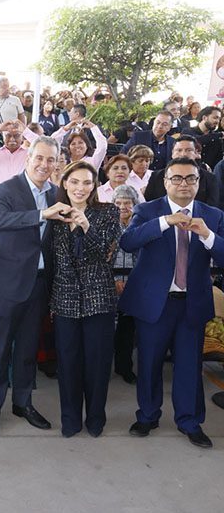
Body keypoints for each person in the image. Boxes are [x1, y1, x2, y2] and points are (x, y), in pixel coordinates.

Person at [119, 157, 224, 449]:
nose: (183, 184)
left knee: (190, 367)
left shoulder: (213, 215)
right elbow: (128, 242)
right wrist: (166, 222)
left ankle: (189, 422)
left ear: (199, 183)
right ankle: (147, 416)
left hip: (192, 304)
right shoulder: (147, 210)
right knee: (149, 363)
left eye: (190, 178)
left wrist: (207, 235)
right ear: (165, 182)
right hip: (155, 303)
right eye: (176, 178)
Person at [0, 136, 74, 435]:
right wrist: (40, 215)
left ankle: (22, 403)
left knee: (27, 348)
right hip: (7, 284)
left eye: (51, 160)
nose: (44, 164)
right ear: (28, 158)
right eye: (40, 158)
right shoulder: (7, 188)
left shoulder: (57, 193)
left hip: (39, 283)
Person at [50, 161, 121, 438]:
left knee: (98, 363)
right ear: (65, 183)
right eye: (75, 181)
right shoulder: (54, 214)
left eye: (87, 183)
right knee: (67, 364)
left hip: (98, 299)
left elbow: (105, 253)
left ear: (94, 186)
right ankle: (70, 420)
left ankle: (95, 418)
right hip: (64, 299)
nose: (80, 188)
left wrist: (86, 225)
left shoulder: (108, 212)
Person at [111, 184, 140, 384]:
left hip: (134, 283)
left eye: (127, 203)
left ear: (134, 204)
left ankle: (124, 367)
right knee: (107, 329)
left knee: (127, 329)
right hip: (110, 282)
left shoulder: (139, 226)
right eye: (118, 203)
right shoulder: (107, 225)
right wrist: (114, 280)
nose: (122, 207)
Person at [144, 135, 220, 208]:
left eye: (189, 150)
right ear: (172, 153)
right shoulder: (156, 176)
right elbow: (149, 205)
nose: (183, 154)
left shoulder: (210, 179)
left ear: (196, 153)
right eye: (179, 150)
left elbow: (212, 208)